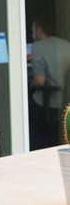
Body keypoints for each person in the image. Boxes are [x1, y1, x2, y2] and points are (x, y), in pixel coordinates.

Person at [29, 15, 70, 148]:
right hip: (64, 102)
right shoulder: (66, 44)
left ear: (39, 30)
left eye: (33, 29)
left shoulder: (37, 47)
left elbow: (40, 82)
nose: (32, 33)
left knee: (24, 104)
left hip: (46, 104)